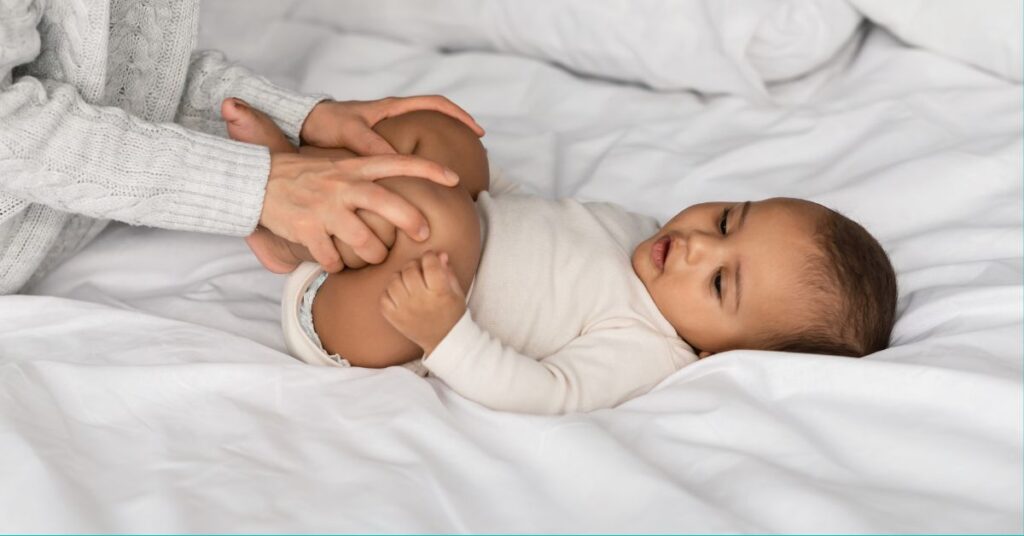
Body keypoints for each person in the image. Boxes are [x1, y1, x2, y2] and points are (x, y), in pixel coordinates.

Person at [227, 101, 898, 416]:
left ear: (722, 355)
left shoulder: (647, 347)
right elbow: (529, 219)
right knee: (445, 143)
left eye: (721, 281)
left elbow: (545, 394)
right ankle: (290, 186)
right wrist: (471, 178)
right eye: (726, 221)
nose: (698, 245)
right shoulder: (640, 235)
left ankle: (289, 221)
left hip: (374, 323)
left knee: (444, 220)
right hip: (418, 245)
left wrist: (446, 333)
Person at [0, 0, 484, 295]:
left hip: (62, 225)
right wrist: (257, 189)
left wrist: (302, 120)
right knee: (415, 218)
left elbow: (121, 72)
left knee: (434, 137)